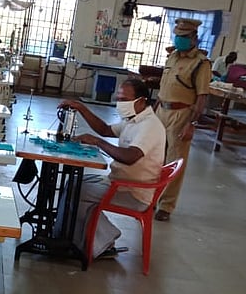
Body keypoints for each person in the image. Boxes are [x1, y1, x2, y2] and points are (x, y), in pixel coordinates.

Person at [59, 79, 166, 259]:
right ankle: (72, 237)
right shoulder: (134, 119)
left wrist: (98, 142)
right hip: (120, 182)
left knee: (77, 191)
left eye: (124, 99)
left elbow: (130, 157)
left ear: (141, 101)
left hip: (134, 192)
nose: (120, 103)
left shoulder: (150, 126)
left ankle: (98, 241)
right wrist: (81, 108)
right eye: (119, 98)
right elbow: (105, 129)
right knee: (74, 183)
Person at [153, 18, 211, 221]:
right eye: (177, 36)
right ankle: (152, 198)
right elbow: (163, 88)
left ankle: (166, 206)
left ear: (194, 38)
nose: (180, 40)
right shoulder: (172, 57)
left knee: (174, 161)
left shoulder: (201, 64)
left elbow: (202, 96)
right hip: (161, 111)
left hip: (181, 115)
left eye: (184, 37)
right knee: (155, 158)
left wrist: (191, 123)